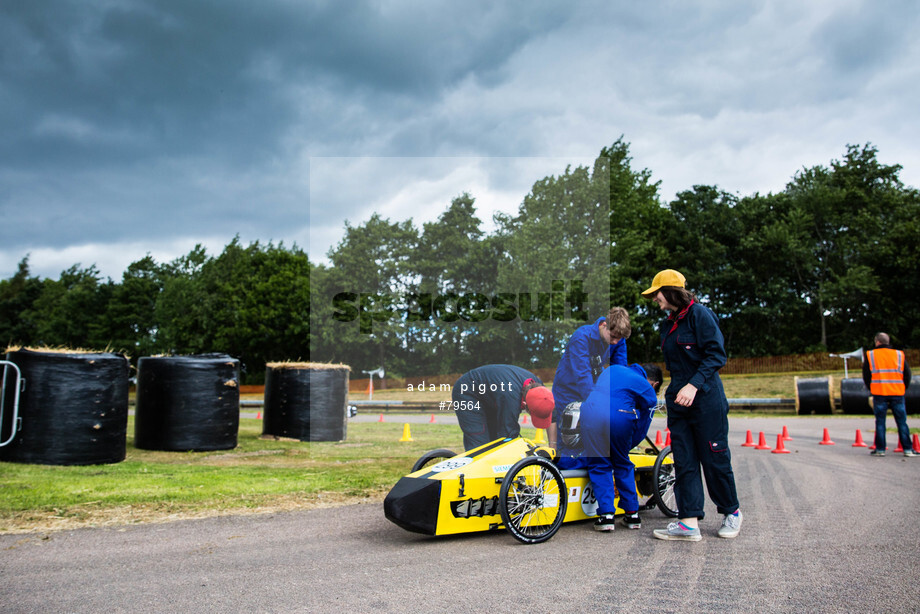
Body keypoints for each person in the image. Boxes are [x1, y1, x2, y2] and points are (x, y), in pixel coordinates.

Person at [641, 269, 742, 541]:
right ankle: (688, 522)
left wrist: (694, 384)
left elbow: (716, 355)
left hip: (706, 397)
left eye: (657, 294)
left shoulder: (700, 315)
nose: (655, 299)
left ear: (671, 291)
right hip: (680, 400)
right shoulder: (667, 325)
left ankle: (731, 512)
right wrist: (673, 391)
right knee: (683, 459)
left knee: (714, 457)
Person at [580, 362, 663, 531]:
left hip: (590, 411)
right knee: (622, 464)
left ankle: (606, 517)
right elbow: (642, 427)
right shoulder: (647, 389)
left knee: (598, 463)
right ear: (654, 384)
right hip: (619, 417)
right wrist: (625, 448)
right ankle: (632, 515)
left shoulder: (613, 368)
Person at [549, 307, 630, 451]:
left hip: (592, 388)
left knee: (592, 436)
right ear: (604, 325)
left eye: (620, 338)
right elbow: (582, 376)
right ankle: (563, 468)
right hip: (568, 391)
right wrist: (597, 405)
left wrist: (620, 400)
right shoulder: (581, 337)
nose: (616, 342)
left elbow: (620, 372)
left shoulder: (618, 340)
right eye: (613, 337)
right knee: (569, 437)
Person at [452, 364, 555, 451]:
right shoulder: (510, 398)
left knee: (494, 443)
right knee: (480, 445)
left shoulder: (541, 390)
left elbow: (553, 417)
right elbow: (508, 434)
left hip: (490, 395)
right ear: (524, 404)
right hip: (467, 391)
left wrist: (553, 447)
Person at [863, 332, 914, 457]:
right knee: (902, 422)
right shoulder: (899, 354)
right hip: (897, 392)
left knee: (880, 422)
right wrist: (903, 387)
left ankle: (880, 450)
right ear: (888, 341)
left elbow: (866, 376)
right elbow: (907, 374)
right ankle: (907, 449)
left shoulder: (870, 355)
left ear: (877, 342)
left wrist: (872, 388)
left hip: (879, 393)